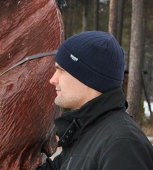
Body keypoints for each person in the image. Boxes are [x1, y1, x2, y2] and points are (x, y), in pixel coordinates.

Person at [37, 30, 153, 170]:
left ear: (89, 78)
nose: (52, 79)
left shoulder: (123, 145)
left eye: (61, 70)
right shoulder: (86, 132)